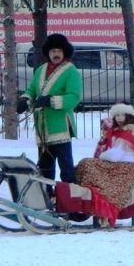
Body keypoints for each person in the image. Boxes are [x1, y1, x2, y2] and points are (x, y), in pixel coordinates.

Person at [16, 33, 83, 182]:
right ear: (48, 53)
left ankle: (68, 198)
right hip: (43, 127)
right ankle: (46, 196)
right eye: (53, 51)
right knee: (45, 167)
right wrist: (24, 100)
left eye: (59, 51)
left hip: (60, 126)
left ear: (64, 51)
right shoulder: (40, 70)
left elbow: (74, 97)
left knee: (66, 167)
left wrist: (51, 101)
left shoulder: (71, 71)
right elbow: (32, 90)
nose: (56, 54)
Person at [75, 103, 134, 218]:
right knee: (85, 164)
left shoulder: (129, 131)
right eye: (117, 115)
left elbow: (116, 155)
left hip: (125, 168)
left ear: (128, 116)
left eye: (122, 115)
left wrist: (101, 155)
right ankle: (86, 197)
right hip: (118, 165)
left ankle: (93, 197)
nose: (119, 118)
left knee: (87, 164)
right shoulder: (116, 131)